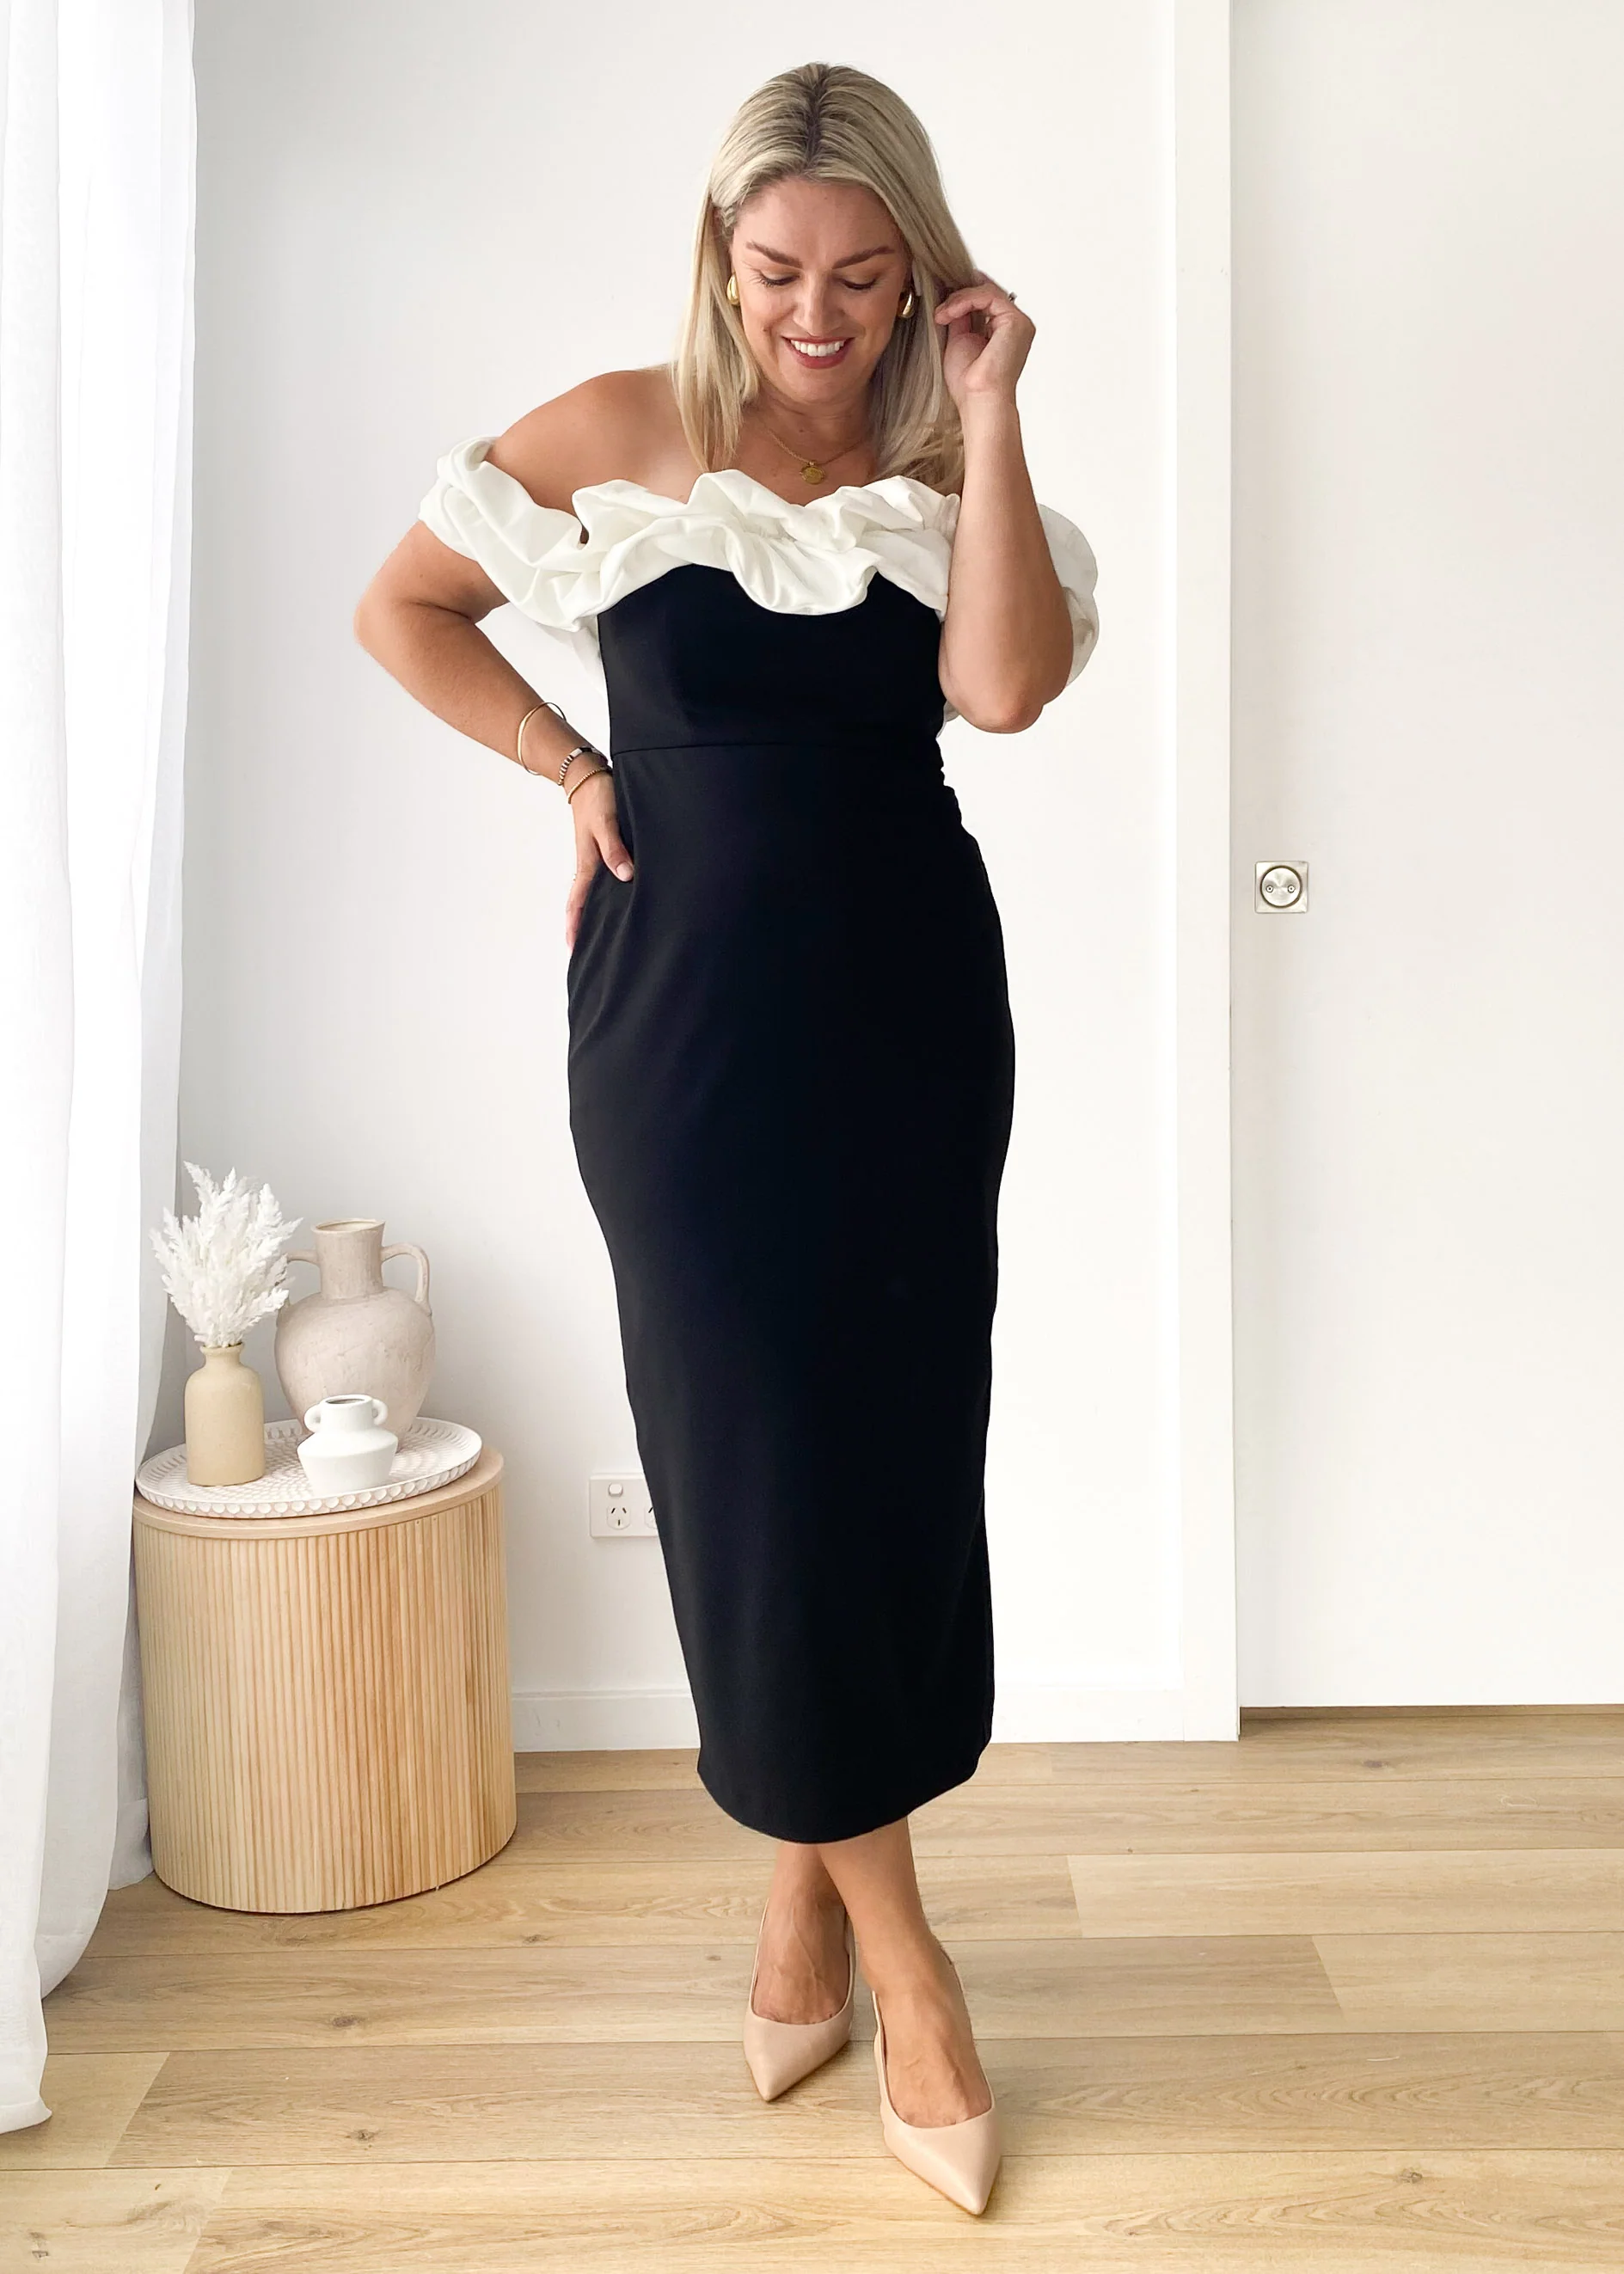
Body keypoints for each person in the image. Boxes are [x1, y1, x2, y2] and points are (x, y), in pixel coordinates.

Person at [353, 58, 1098, 2217]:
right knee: (745, 1458)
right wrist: (566, 763)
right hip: (678, 1031)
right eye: (776, 269)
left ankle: (797, 1904)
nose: (813, 315)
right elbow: (403, 605)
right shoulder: (610, 431)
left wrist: (994, 409)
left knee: (880, 1457)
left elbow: (1002, 694)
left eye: (863, 277)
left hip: (907, 1026)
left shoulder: (937, 456)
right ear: (717, 251)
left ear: (920, 278)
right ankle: (910, 1964)